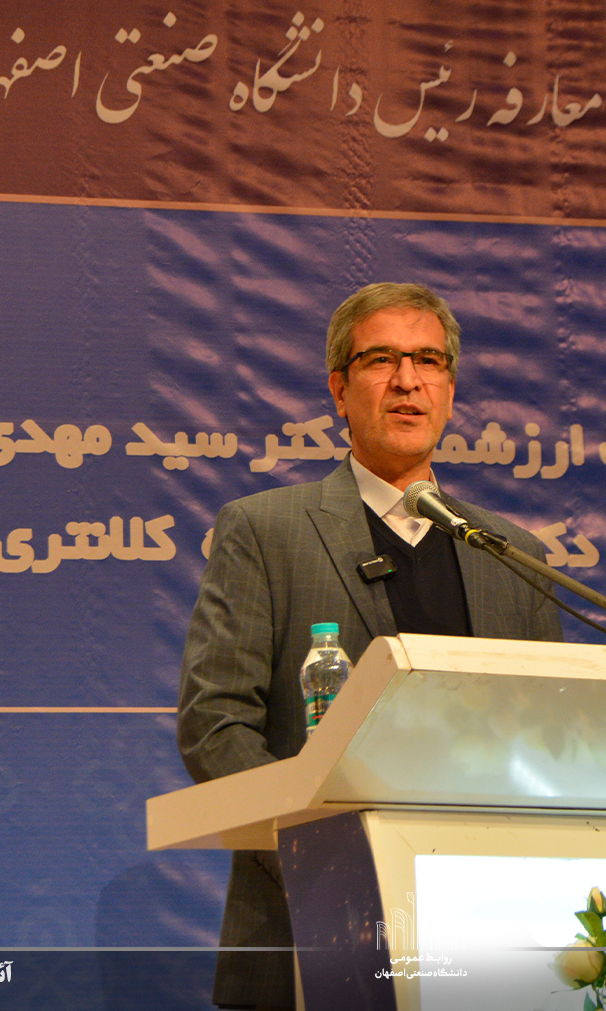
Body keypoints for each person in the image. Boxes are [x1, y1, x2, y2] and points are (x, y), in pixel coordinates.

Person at [176, 282, 562, 1010]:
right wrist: (316, 856)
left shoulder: (514, 556)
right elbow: (216, 725)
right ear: (339, 390)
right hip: (308, 923)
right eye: (381, 359)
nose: (407, 380)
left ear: (450, 389)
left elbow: (553, 743)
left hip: (484, 936)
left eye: (428, 361)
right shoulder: (266, 531)